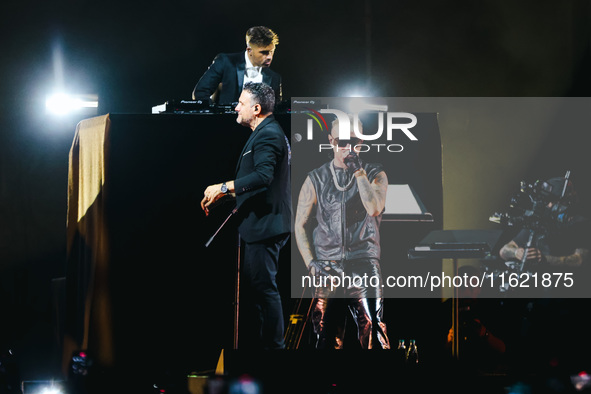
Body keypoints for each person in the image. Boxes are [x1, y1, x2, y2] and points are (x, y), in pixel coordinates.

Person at [201, 82, 291, 350]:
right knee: (258, 291)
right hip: (261, 225)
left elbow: (264, 177)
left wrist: (224, 186)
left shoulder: (269, 135)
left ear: (256, 108)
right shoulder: (265, 132)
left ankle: (274, 352)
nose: (235, 107)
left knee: (264, 289)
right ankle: (265, 352)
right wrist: (226, 195)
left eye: (240, 103)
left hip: (267, 226)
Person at [294, 115, 390, 350]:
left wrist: (358, 172)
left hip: (363, 262)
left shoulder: (375, 173)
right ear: (331, 141)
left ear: (362, 142)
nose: (348, 147)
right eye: (342, 141)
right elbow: (300, 224)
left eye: (355, 141)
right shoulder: (316, 178)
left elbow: (374, 208)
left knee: (373, 329)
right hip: (327, 265)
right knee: (323, 333)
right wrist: (310, 263)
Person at [497, 175, 590, 372]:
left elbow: (581, 259)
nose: (547, 205)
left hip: (564, 298)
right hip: (535, 299)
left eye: (551, 201)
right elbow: (504, 251)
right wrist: (518, 252)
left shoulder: (581, 224)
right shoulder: (538, 221)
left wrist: (544, 259)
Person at [192, 26, 282, 106]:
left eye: (271, 51)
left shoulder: (275, 77)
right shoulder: (225, 62)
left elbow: (277, 110)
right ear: (249, 50)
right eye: (264, 52)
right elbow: (201, 92)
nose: (270, 57)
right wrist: (216, 116)